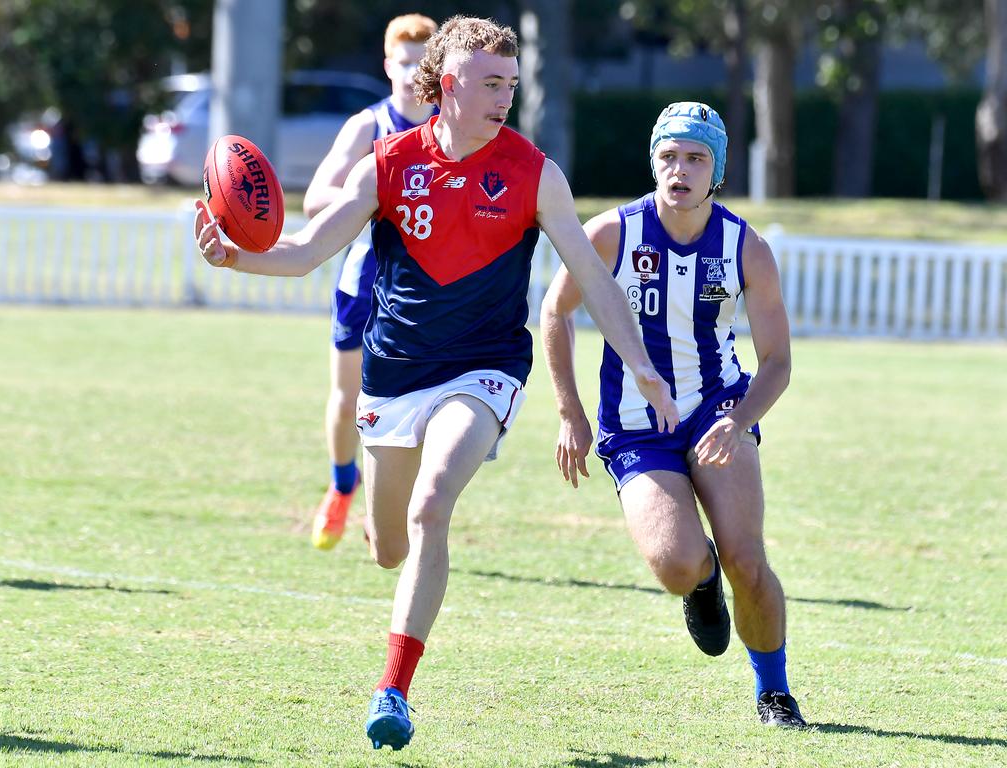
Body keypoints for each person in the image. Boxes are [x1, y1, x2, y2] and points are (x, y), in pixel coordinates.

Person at [195, 15, 677, 751]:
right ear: (448, 84)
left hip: (485, 368)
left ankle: (393, 690)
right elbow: (301, 253)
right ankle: (377, 527)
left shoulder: (533, 171)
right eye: (491, 84)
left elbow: (592, 276)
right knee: (389, 547)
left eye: (511, 85)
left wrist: (642, 365)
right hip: (392, 378)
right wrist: (234, 258)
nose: (505, 98)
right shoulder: (388, 164)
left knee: (432, 505)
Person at [539, 102, 808, 729]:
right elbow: (555, 312)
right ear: (652, 161)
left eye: (695, 158)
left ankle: (775, 692)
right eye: (667, 155)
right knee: (678, 564)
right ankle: (701, 578)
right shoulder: (614, 232)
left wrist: (738, 420)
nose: (678, 169)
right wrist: (570, 413)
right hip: (636, 426)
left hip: (718, 410)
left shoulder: (747, 247)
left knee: (747, 557)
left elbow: (777, 363)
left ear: (716, 170)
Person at [302, 13, 438, 551]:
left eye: (422, 63)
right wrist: (376, 203)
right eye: (403, 63)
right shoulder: (368, 127)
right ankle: (341, 485)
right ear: (387, 66)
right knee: (346, 396)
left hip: (425, 293)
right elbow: (315, 197)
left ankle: (390, 506)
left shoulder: (451, 132)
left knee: (421, 406)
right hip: (363, 284)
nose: (411, 73)